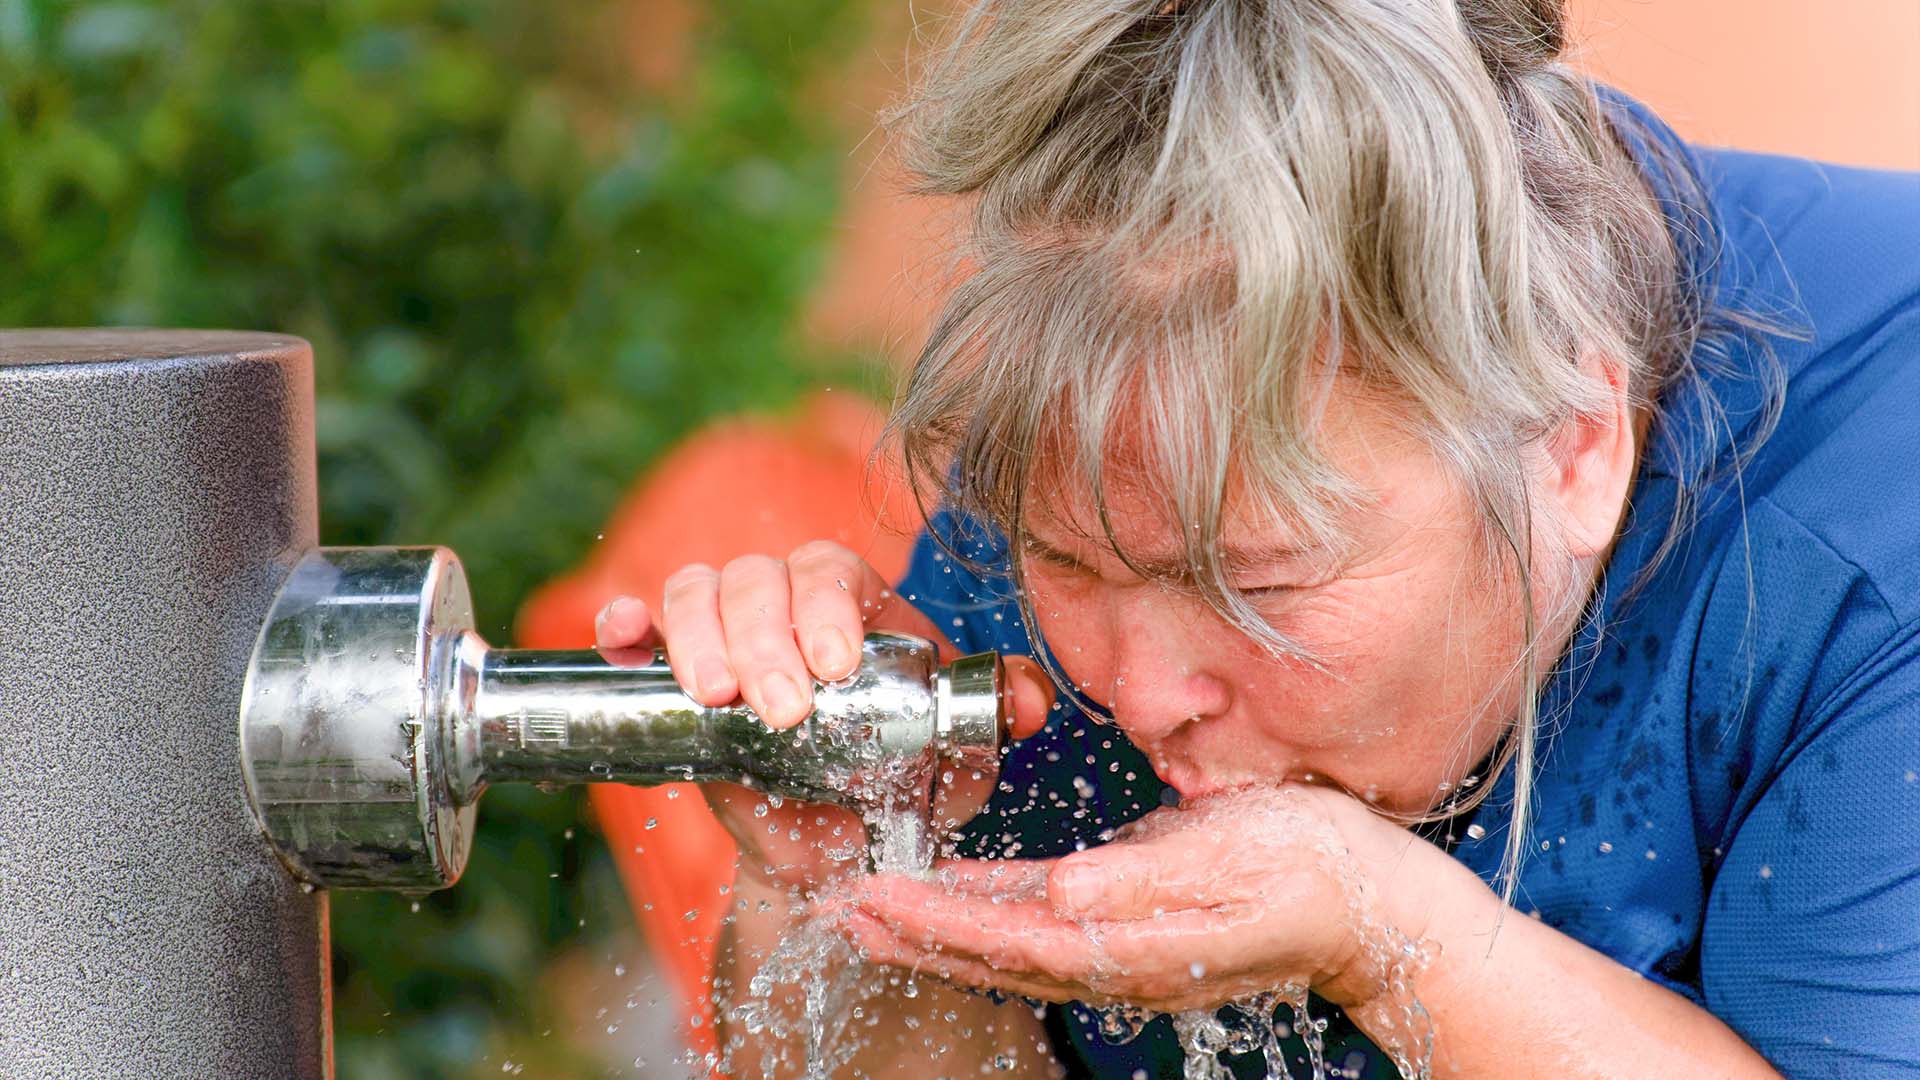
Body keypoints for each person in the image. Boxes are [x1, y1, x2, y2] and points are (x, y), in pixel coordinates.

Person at [594, 0, 1920, 1074]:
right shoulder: (1114, 431)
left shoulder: (1871, 531)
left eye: (1255, 581)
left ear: (1572, 440)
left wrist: (1394, 937)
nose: (1138, 692)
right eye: (1062, 560)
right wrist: (835, 887)